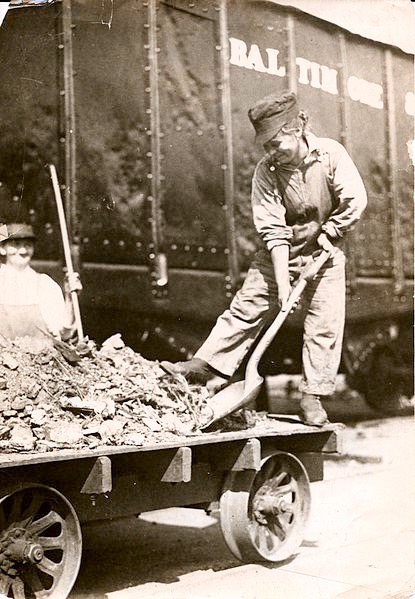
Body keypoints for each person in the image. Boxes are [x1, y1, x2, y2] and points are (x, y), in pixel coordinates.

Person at [161, 91, 367, 426]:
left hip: (326, 253)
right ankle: (205, 365)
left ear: (297, 128)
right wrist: (283, 283)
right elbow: (273, 229)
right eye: (265, 146)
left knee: (323, 326)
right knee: (246, 306)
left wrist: (330, 235)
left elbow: (355, 200)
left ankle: (312, 396)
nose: (270, 152)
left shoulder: (331, 155)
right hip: (279, 253)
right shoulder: (267, 171)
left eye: (275, 143)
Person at [0, 222, 82, 342]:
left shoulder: (45, 285)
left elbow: (64, 334)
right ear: (2, 248)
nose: (23, 250)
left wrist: (70, 299)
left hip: (39, 358)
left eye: (28, 245)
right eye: (16, 244)